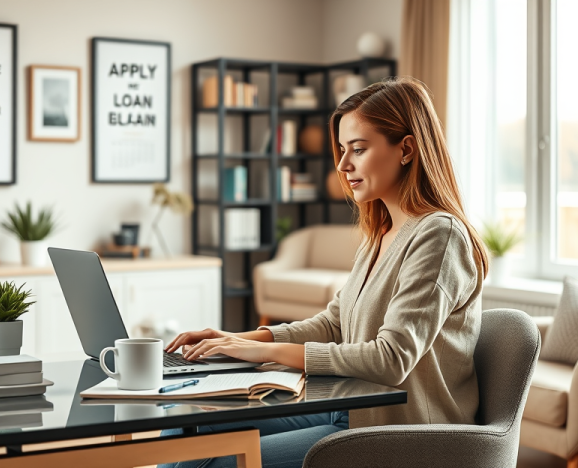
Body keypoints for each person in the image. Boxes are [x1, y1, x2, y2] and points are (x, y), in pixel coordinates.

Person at [159, 76, 489, 468]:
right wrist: (234, 338)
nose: (342, 164)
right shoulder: (381, 233)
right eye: (342, 149)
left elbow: (391, 358)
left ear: (406, 149)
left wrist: (264, 352)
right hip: (348, 408)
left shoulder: (440, 235)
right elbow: (334, 323)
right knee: (188, 423)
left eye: (359, 149)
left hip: (400, 432)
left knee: (217, 462)